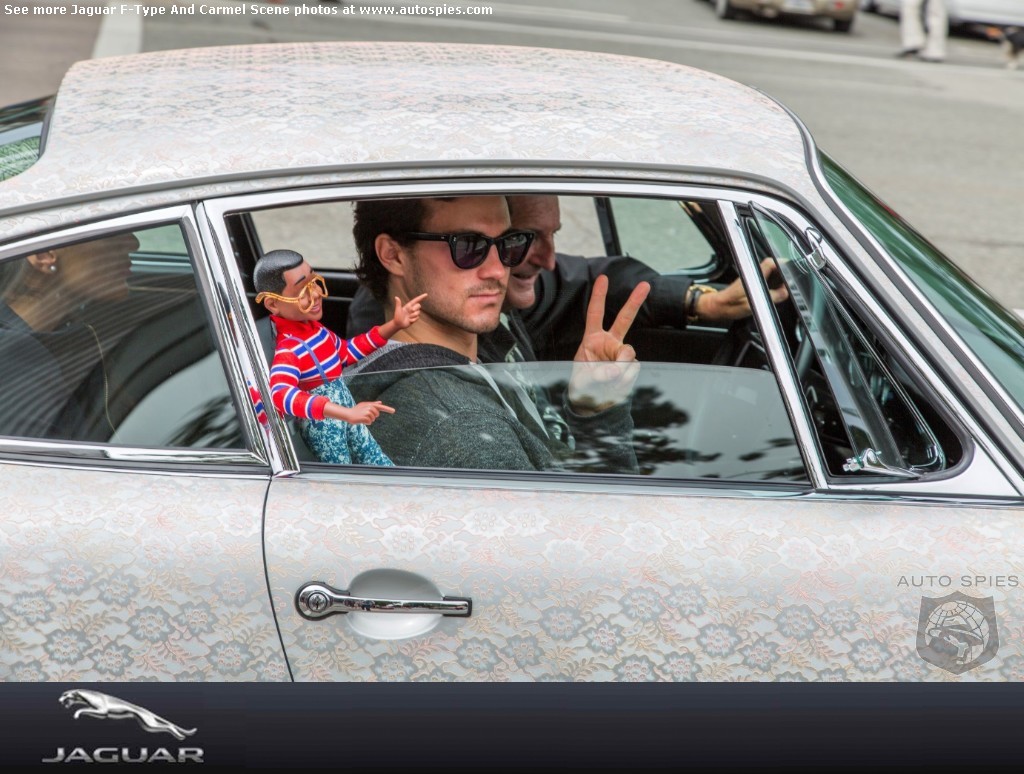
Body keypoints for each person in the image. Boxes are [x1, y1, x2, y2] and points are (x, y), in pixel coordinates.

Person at [341, 195, 650, 472]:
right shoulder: (462, 427)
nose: (498, 269)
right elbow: (598, 528)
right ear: (393, 255)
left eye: (509, 244)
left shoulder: (470, 359)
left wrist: (596, 409)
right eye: (467, 246)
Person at [253, 248, 425, 465]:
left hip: (347, 412)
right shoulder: (289, 350)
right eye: (302, 291)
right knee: (343, 478)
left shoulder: (319, 332)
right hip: (325, 428)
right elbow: (281, 394)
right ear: (273, 304)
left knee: (377, 461)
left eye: (314, 282)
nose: (315, 294)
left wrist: (393, 325)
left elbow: (346, 353)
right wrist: (345, 413)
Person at [0, 232, 139, 440]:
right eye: (107, 231)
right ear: (43, 254)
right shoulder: (13, 361)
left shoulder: (70, 334)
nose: (133, 243)